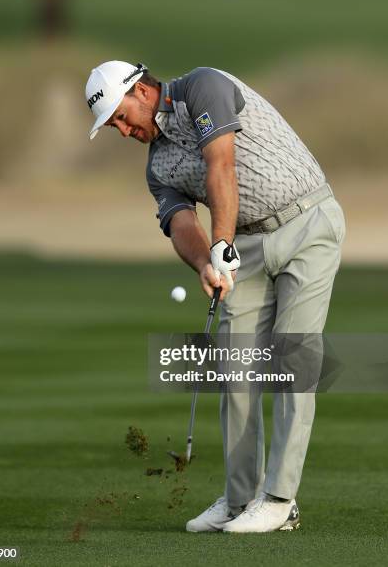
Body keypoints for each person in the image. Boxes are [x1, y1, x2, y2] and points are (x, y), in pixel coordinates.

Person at [84, 61, 345, 533]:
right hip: (244, 246)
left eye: (121, 117)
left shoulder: (203, 87)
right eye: (112, 127)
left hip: (308, 223)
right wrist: (207, 262)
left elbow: (219, 162)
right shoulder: (157, 167)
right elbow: (180, 224)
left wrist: (221, 241)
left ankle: (280, 499)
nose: (122, 131)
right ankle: (241, 498)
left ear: (141, 92)